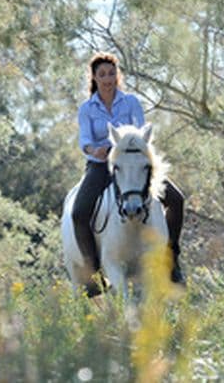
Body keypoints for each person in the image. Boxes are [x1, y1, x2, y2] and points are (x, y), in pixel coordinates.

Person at [71, 51, 185, 290]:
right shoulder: (87, 108)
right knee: (79, 212)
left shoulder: (131, 102)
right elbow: (84, 140)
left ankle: (172, 258)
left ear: (117, 75)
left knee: (176, 199)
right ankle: (92, 274)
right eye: (102, 74)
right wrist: (95, 149)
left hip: (134, 163)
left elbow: (143, 132)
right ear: (94, 77)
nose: (108, 78)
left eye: (111, 73)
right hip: (102, 165)